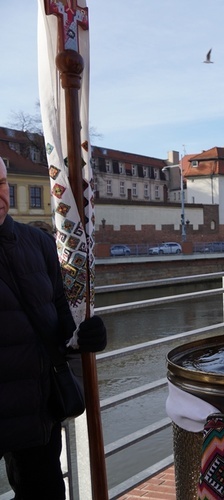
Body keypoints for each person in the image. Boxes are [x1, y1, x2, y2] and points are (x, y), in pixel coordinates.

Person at [0, 158, 107, 499]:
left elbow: (64, 315)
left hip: (37, 415)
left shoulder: (39, 244)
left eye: (0, 184)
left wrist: (86, 335)